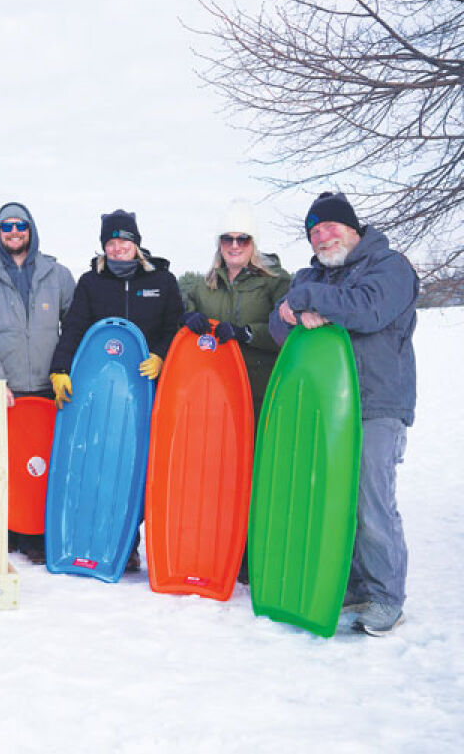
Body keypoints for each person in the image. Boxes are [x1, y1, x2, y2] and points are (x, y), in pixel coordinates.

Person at [269, 191, 418, 636]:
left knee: (371, 500)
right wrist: (297, 311)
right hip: (324, 404)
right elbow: (279, 326)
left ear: (354, 228)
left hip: (376, 402)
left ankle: (386, 597)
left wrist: (310, 300)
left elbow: (369, 309)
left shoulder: (390, 266)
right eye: (314, 232)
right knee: (331, 497)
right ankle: (350, 587)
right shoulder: (310, 275)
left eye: (331, 227)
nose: (323, 237)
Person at [48, 209, 183, 572]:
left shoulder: (163, 280)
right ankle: (105, 538)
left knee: (142, 465)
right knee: (106, 460)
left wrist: (161, 356)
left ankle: (132, 539)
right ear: (103, 246)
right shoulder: (91, 282)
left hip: (146, 387)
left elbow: (175, 327)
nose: (118, 247)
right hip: (102, 389)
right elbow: (74, 327)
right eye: (111, 241)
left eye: (124, 240)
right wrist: (60, 369)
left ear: (136, 243)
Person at [180, 201, 292, 584]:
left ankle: (254, 552)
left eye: (241, 239)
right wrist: (187, 319)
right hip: (218, 397)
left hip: (260, 392)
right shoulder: (205, 285)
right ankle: (222, 548)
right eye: (227, 238)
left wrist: (248, 333)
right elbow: (187, 311)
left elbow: (287, 330)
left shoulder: (275, 282)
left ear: (253, 243)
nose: (234, 245)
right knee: (222, 475)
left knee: (257, 475)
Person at [0, 201, 75, 563]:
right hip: (5, 390)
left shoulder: (57, 274)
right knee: (5, 463)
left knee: (41, 462)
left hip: (45, 388)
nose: (13, 232)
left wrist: (63, 371)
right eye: (6, 227)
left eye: (20, 225)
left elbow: (74, 327)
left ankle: (39, 533)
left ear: (31, 229)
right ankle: (9, 527)